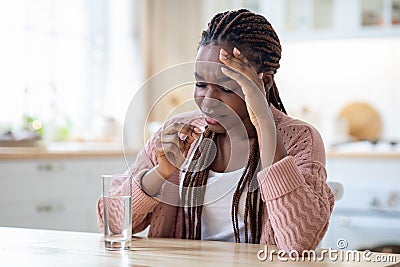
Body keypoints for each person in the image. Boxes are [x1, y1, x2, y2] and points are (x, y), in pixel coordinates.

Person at [97, 9, 334, 253]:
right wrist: (161, 172)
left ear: (263, 83)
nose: (208, 101)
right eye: (200, 84)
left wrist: (264, 123)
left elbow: (299, 243)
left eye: (226, 88)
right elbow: (111, 222)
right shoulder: (177, 133)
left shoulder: (299, 139)